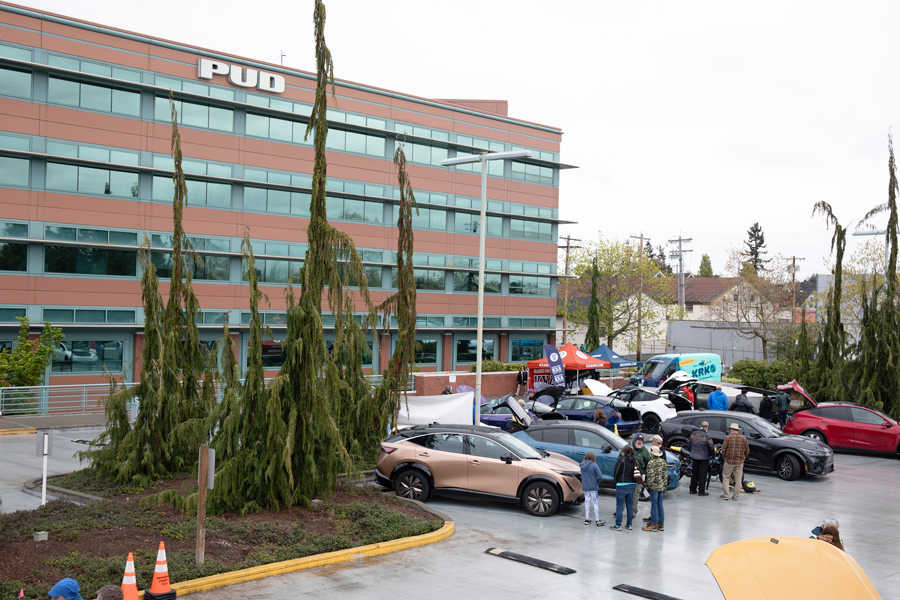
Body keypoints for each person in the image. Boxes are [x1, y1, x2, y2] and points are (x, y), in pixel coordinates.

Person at [611, 445, 638, 531]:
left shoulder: (621, 460)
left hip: (622, 484)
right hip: (632, 485)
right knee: (629, 505)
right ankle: (629, 524)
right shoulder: (635, 461)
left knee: (619, 505)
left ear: (624, 452)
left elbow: (616, 471)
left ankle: (618, 525)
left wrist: (617, 481)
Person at [721, 422, 749, 500]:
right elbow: (747, 450)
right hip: (739, 462)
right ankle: (735, 496)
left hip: (729, 461)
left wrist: (725, 457)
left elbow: (723, 450)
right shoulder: (743, 438)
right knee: (738, 479)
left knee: (726, 477)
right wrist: (743, 458)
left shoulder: (727, 438)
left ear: (732, 430)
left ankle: (726, 495)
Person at [686, 421, 714, 495]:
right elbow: (711, 447)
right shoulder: (707, 436)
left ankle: (692, 489)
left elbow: (689, 444)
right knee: (702, 474)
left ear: (700, 425)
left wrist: (692, 452)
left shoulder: (693, 434)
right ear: (707, 427)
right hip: (704, 458)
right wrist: (713, 456)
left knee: (694, 473)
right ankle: (701, 491)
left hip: (694, 456)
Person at [644, 446, 667, 532]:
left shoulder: (651, 463)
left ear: (652, 453)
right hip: (661, 486)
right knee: (660, 504)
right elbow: (665, 476)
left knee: (654, 504)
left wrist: (648, 486)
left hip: (654, 487)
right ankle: (660, 524)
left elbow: (650, 476)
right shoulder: (663, 462)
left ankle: (653, 524)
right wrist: (664, 487)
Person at [579, 451, 606, 527]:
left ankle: (587, 519)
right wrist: (596, 482)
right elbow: (600, 477)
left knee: (587, 503)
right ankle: (597, 520)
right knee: (595, 503)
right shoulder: (594, 466)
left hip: (585, 487)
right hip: (593, 487)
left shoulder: (582, 465)